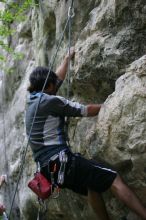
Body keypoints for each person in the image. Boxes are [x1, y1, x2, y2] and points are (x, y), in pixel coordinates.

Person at [25, 48, 146, 220]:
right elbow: (85, 110)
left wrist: (67, 59)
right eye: (53, 85)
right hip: (61, 161)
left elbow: (55, 81)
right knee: (113, 178)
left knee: (92, 186)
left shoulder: (32, 101)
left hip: (50, 171)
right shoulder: (50, 101)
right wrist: (113, 103)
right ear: (49, 86)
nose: (56, 86)